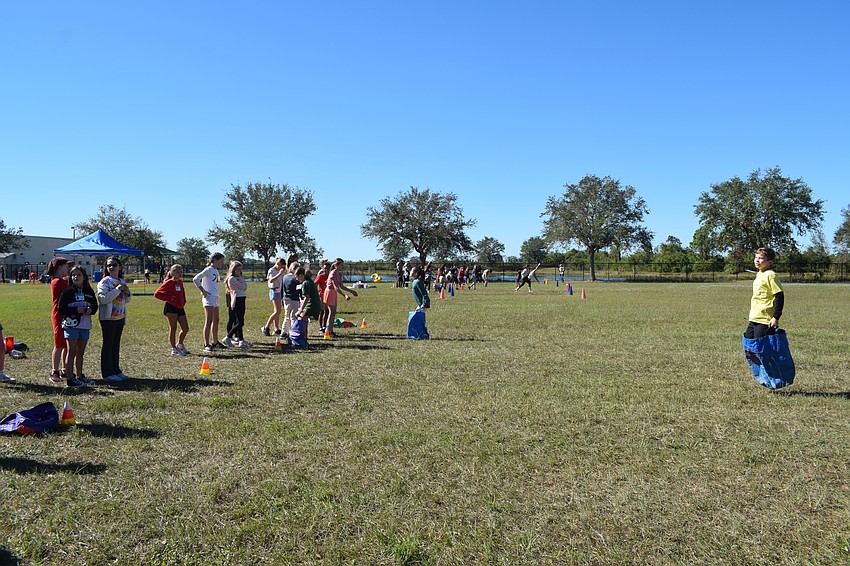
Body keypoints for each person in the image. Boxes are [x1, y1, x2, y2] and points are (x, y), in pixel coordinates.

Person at [59, 266, 98, 387]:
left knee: (80, 352)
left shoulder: (89, 291)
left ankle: (80, 376)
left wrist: (90, 310)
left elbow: (95, 306)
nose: (76, 277)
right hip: (71, 326)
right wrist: (76, 310)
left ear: (84, 277)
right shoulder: (67, 291)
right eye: (73, 275)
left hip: (85, 325)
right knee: (72, 351)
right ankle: (70, 378)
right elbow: (61, 309)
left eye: (79, 274)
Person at [98, 256, 132, 382]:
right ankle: (107, 373)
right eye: (109, 265)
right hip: (108, 318)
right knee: (108, 345)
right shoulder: (104, 282)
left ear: (120, 267)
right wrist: (117, 290)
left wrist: (127, 292)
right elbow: (103, 299)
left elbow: (126, 300)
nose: (111, 267)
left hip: (120, 317)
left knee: (115, 345)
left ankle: (116, 370)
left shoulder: (122, 281)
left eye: (114, 265)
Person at [745, 247, 784, 339]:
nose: (757, 260)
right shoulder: (759, 274)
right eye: (756, 257)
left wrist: (775, 317)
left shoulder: (771, 275)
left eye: (761, 258)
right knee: (749, 343)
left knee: (761, 345)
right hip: (754, 317)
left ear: (770, 262)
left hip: (765, 319)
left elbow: (779, 296)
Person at [154, 264, 190, 356]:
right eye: (177, 272)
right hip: (171, 307)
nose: (180, 274)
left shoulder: (180, 282)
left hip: (180, 307)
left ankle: (180, 345)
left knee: (185, 328)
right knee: (173, 328)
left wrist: (183, 301)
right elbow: (157, 294)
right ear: (172, 273)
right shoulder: (168, 282)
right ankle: (174, 349)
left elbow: (182, 293)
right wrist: (170, 298)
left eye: (181, 272)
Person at [193, 252, 225, 353]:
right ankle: (206, 344)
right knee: (209, 320)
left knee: (216, 320)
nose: (222, 263)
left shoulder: (216, 271)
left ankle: (215, 342)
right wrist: (203, 290)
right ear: (214, 260)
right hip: (209, 298)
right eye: (221, 261)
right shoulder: (208, 270)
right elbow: (196, 279)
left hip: (215, 297)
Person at [47, 257, 71, 383]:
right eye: (66, 266)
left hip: (66, 314)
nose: (68, 268)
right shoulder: (57, 282)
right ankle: (54, 370)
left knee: (66, 342)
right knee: (59, 344)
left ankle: (65, 368)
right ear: (59, 267)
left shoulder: (63, 281)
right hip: (59, 315)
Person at [322, 258, 358, 336]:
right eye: (341, 265)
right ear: (336, 265)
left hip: (333, 293)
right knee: (331, 312)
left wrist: (351, 291)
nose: (342, 267)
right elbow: (336, 287)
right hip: (330, 292)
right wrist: (344, 295)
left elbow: (341, 286)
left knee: (333, 313)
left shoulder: (339, 273)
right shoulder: (333, 273)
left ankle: (330, 330)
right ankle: (328, 331)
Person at [224, 260, 251, 348]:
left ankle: (241, 340)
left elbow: (245, 287)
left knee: (240, 321)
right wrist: (241, 282)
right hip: (237, 300)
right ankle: (228, 337)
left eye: (240, 270)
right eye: (237, 270)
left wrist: (241, 280)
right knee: (240, 322)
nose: (239, 272)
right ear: (233, 270)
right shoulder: (232, 279)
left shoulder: (239, 278)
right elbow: (242, 286)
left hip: (242, 298)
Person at [261, 257, 286, 337]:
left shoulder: (279, 270)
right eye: (281, 266)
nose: (281, 268)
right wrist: (279, 274)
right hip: (274, 291)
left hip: (279, 291)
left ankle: (276, 328)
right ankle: (266, 327)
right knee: (277, 311)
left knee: (277, 311)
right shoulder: (271, 270)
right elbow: (270, 280)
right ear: (278, 264)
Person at [294, 266, 322, 335]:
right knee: (304, 320)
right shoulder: (310, 281)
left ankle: (302, 337)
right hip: (316, 304)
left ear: (301, 275)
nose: (297, 279)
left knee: (301, 319)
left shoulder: (305, 283)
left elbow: (306, 298)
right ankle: (304, 336)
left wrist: (300, 310)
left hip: (311, 305)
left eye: (297, 277)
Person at [281, 261, 301, 338]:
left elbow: (282, 289)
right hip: (294, 298)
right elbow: (299, 289)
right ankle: (293, 332)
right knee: (293, 317)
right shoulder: (295, 278)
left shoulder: (285, 277)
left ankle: (284, 331)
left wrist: (282, 299)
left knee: (286, 316)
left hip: (286, 298)